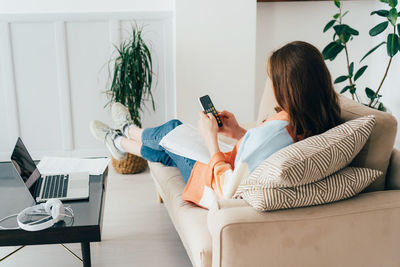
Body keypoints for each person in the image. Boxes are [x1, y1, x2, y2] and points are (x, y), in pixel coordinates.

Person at [90, 41, 341, 209]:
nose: (271, 87)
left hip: (215, 185)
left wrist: (211, 139)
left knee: (172, 131)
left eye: (272, 81)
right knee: (170, 147)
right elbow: (262, 150)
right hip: (226, 164)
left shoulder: (278, 130)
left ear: (289, 88)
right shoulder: (311, 119)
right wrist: (239, 132)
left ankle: (126, 132)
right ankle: (119, 141)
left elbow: (227, 189)